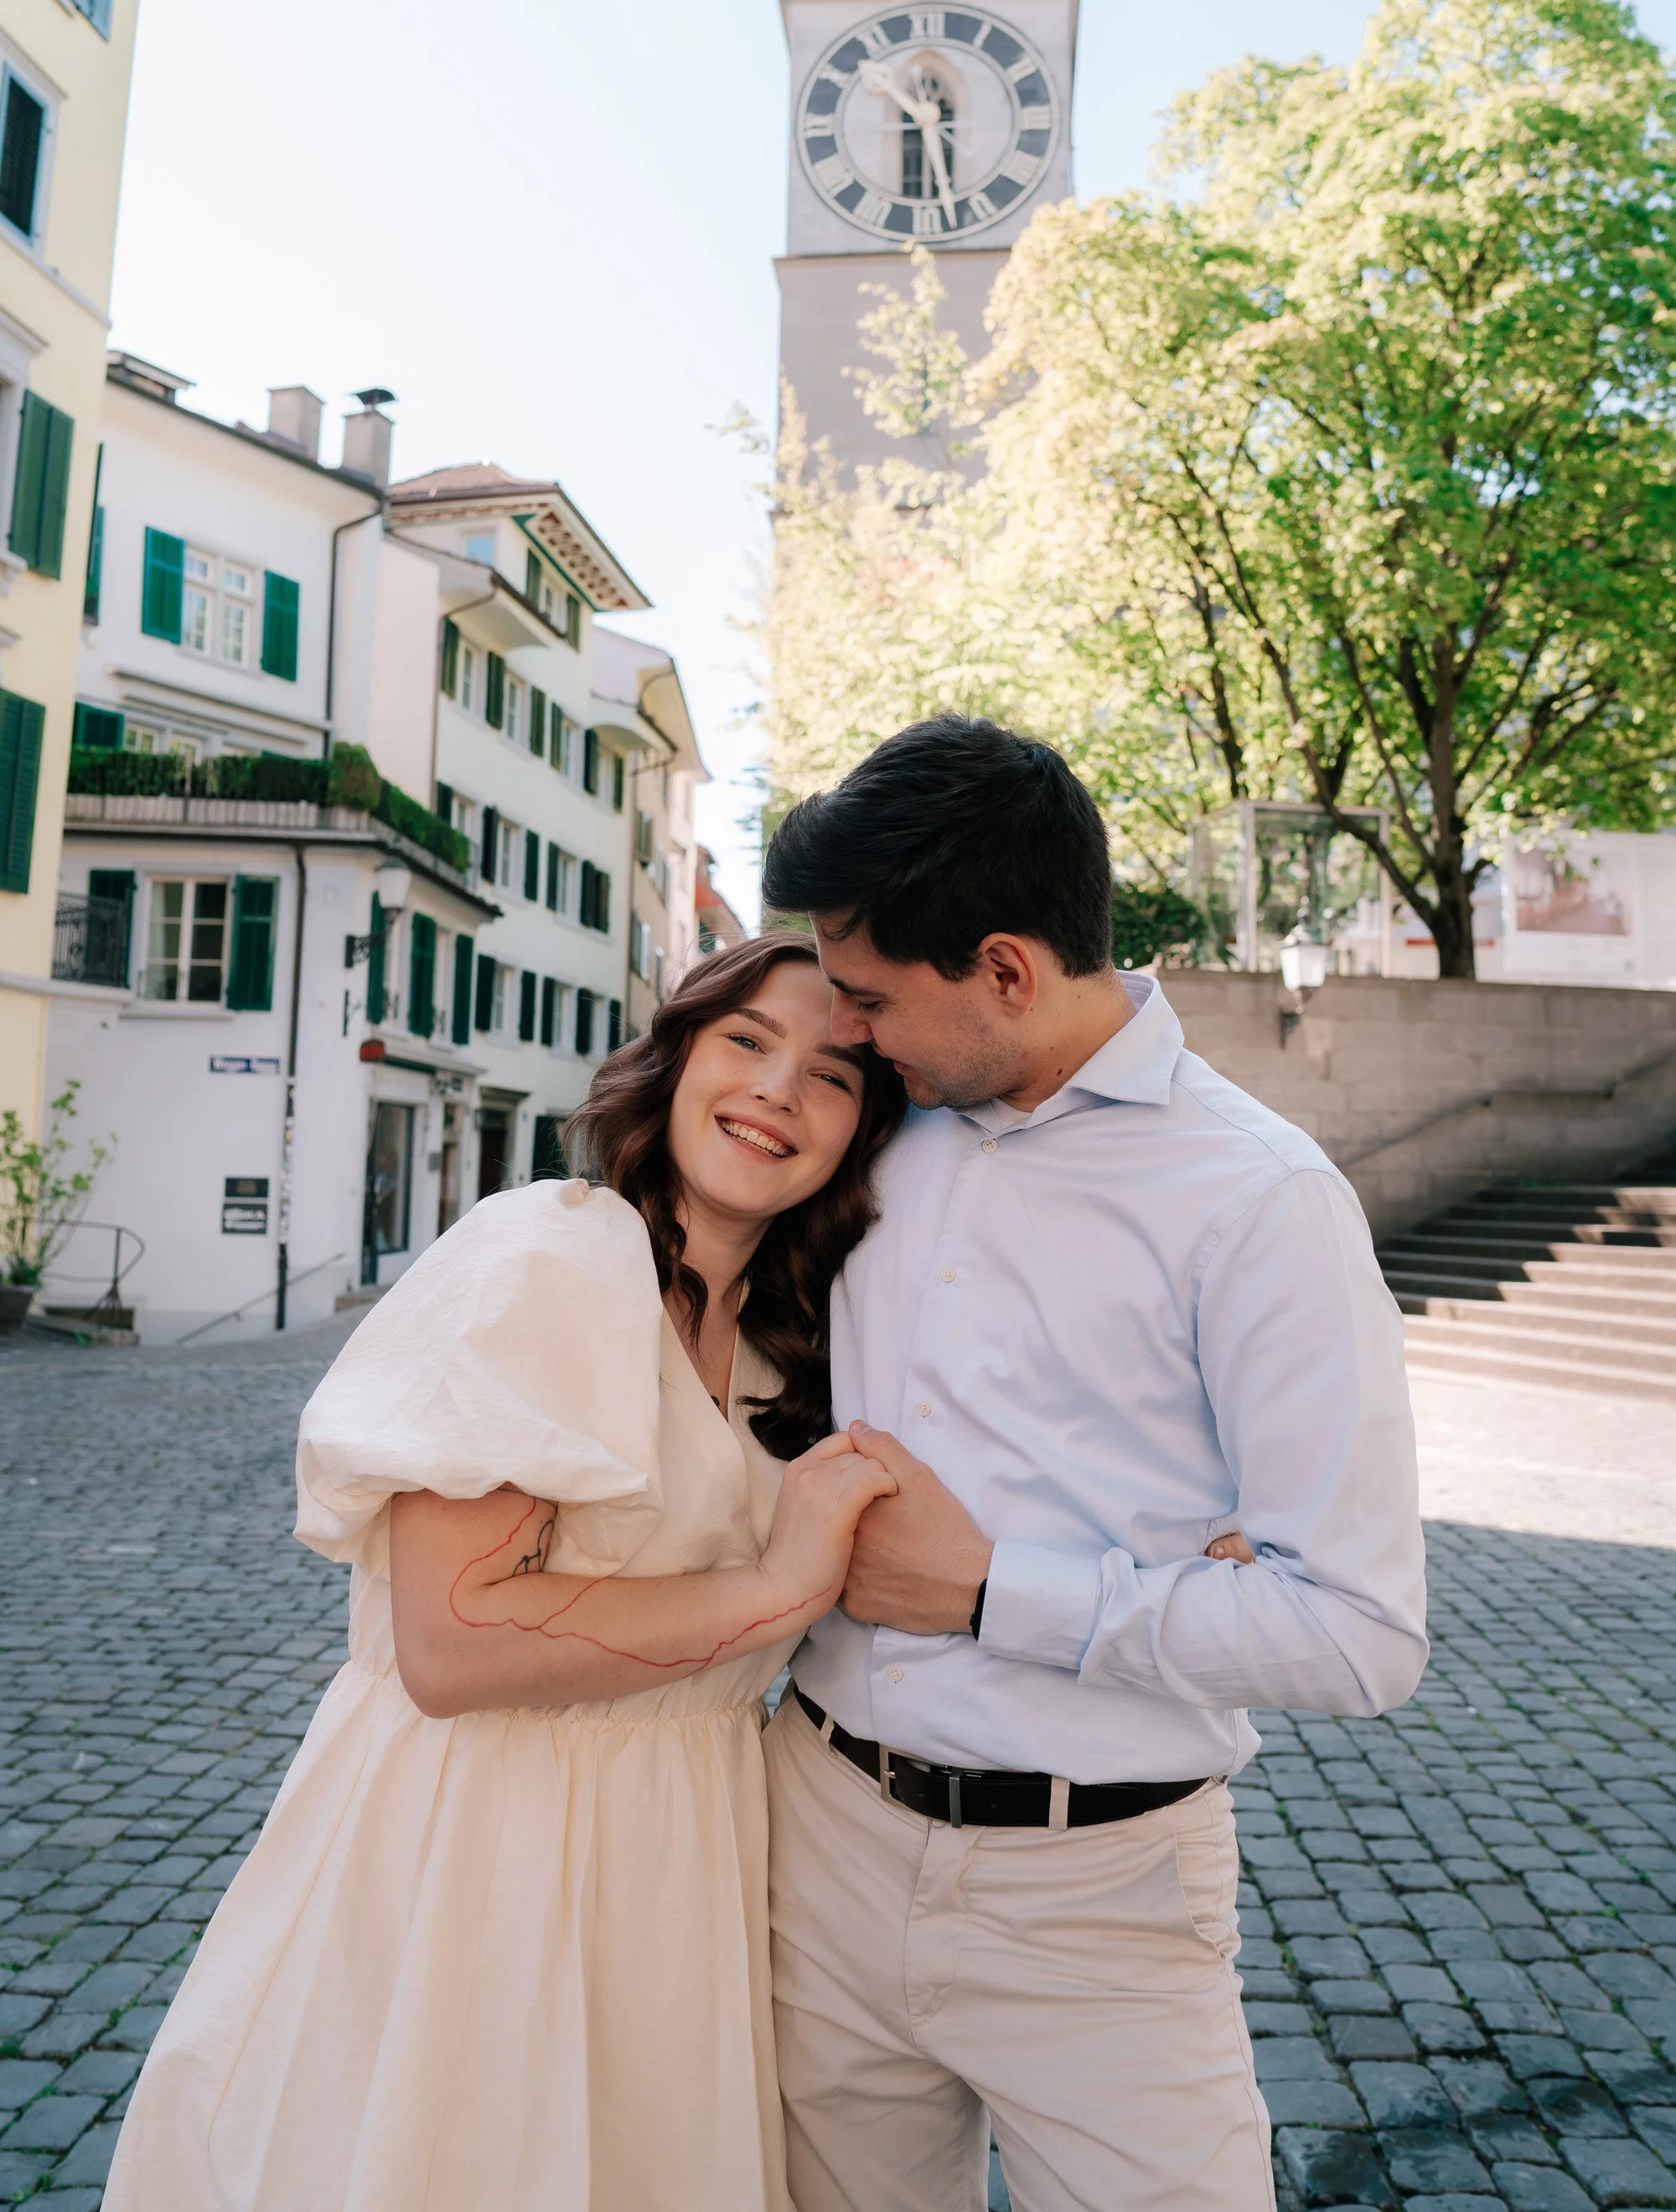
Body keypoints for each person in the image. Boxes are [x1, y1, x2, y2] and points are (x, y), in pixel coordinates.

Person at [104, 934, 906, 2212]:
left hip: (677, 1851)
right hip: (482, 1843)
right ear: (679, 1055)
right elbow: (454, 1641)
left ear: (862, 1135)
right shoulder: (556, 1255)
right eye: (748, 1041)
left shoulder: (785, 1336)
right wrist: (778, 1587)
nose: (776, 1091)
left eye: (832, 1076)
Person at [758, 716, 1429, 2212]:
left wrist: (998, 1590)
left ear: (1005, 969)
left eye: (870, 998)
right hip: (815, 1833)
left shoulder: (1260, 1203)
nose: (849, 1035)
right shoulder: (875, 1132)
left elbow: (1362, 1631)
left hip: (1098, 1900)